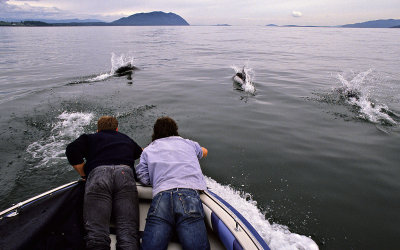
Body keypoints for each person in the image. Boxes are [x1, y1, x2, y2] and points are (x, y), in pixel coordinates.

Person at [66, 116, 142, 250]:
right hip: (125, 174)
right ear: (117, 129)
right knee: (128, 231)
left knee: (97, 233)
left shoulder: (90, 138)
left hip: (99, 175)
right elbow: (141, 152)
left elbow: (71, 149)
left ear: (98, 129)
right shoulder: (125, 139)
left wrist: (84, 173)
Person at [136, 116, 210, 250]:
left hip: (162, 196)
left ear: (155, 133)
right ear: (175, 130)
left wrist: (156, 178)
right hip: (189, 194)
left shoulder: (148, 150)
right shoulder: (188, 143)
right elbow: (204, 151)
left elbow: (142, 176)